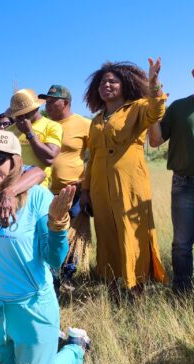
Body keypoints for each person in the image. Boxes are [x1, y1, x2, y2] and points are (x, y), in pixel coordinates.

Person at [0, 129, 89, 364]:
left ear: (16, 161)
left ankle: (76, 348)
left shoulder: (37, 198)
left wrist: (57, 225)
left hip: (31, 307)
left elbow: (54, 258)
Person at [81, 58, 167, 293]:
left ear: (124, 84)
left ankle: (136, 285)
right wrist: (86, 190)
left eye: (112, 81)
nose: (106, 85)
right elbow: (92, 157)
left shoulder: (137, 107)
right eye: (102, 83)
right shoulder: (97, 120)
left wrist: (154, 81)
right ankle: (112, 284)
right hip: (100, 186)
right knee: (106, 232)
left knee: (132, 231)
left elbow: (157, 108)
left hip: (130, 183)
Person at [39, 85, 92, 291]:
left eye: (53, 101)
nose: (48, 105)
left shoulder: (84, 124)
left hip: (75, 192)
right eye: (47, 101)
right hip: (46, 192)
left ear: (66, 103)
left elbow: (95, 156)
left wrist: (84, 183)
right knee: (48, 232)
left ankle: (67, 276)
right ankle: (50, 275)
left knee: (73, 235)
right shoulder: (44, 125)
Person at [148, 68, 194, 294]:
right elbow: (155, 140)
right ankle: (182, 292)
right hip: (185, 186)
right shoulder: (178, 108)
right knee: (182, 245)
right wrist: (152, 109)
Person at [7, 89, 63, 188]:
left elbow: (49, 159)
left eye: (25, 111)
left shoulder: (52, 126)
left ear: (36, 108)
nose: (21, 115)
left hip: (38, 187)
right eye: (18, 113)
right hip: (12, 186)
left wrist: (29, 133)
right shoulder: (9, 131)